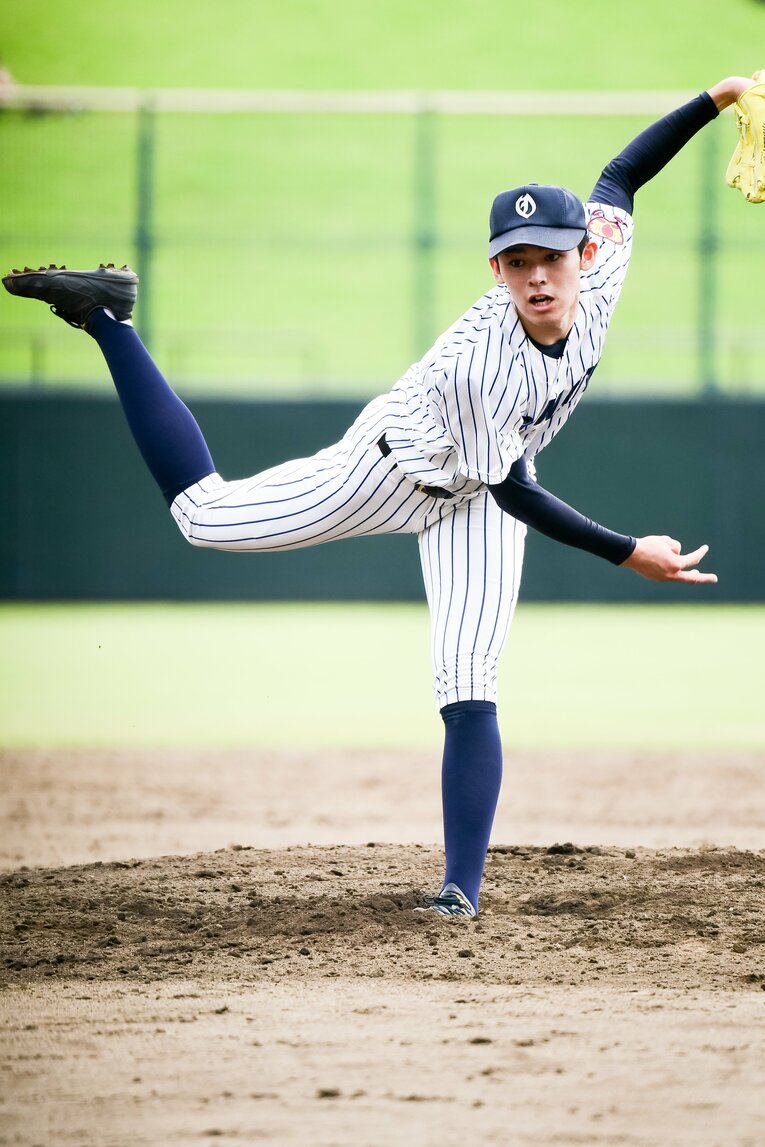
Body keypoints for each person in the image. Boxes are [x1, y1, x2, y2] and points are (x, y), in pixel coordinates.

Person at [4, 72, 757, 920]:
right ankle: (109, 319)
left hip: (481, 488)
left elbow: (619, 176)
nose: (537, 277)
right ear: (496, 268)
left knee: (468, 678)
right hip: (393, 468)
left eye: (550, 255)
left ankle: (458, 894)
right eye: (517, 262)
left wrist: (717, 96)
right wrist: (629, 551)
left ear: (584, 252)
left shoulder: (603, 261)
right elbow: (511, 492)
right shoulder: (485, 364)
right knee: (202, 518)